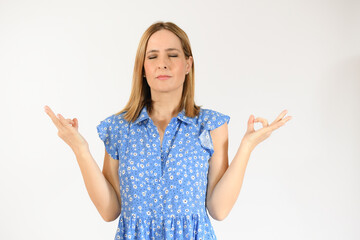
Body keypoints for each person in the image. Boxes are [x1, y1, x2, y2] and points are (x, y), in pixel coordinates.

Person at [44, 21, 292, 240]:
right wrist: (80, 149)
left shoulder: (211, 125)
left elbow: (219, 209)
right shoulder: (119, 128)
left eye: (172, 55)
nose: (162, 64)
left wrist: (247, 146)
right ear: (142, 68)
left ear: (187, 64)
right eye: (152, 57)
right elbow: (110, 210)